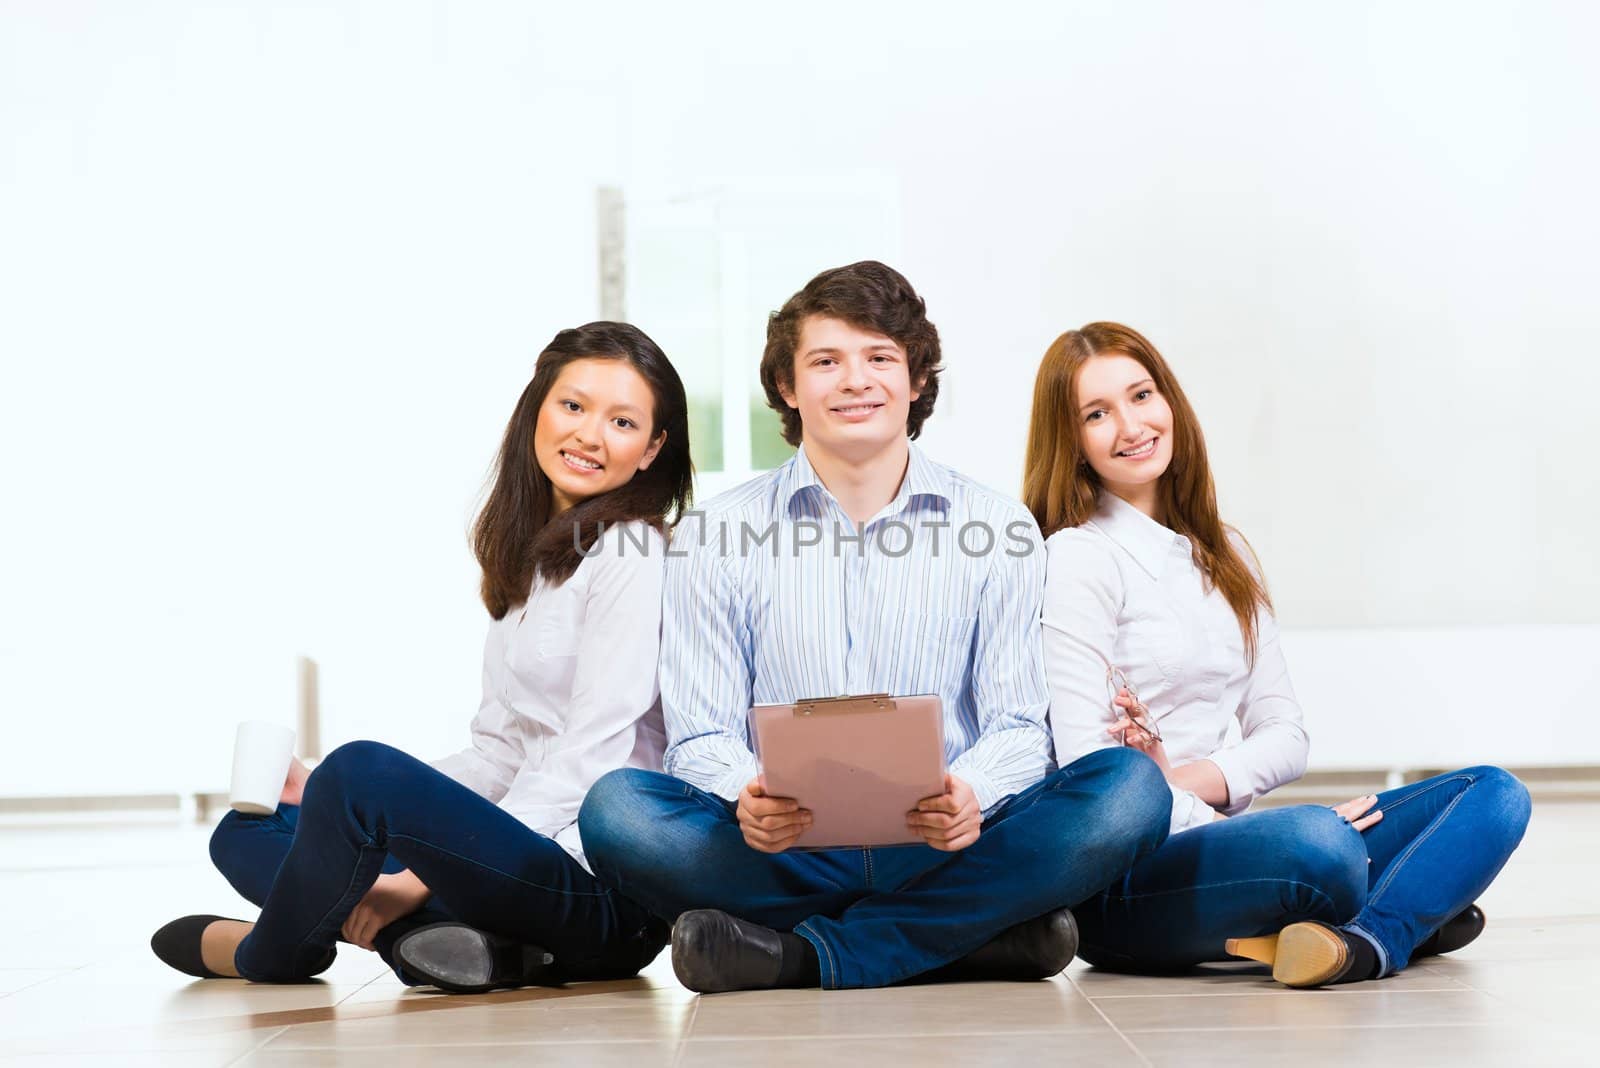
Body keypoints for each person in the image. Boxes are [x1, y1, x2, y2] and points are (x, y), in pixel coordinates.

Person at [576, 262, 1172, 994]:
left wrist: (972, 793)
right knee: (616, 810)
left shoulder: (999, 528)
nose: (855, 380)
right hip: (781, 852)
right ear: (790, 389)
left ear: (916, 381)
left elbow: (1020, 727)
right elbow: (699, 736)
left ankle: (807, 954)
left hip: (950, 846)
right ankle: (966, 935)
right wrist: (744, 796)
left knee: (1130, 789)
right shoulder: (716, 534)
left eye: (880, 358)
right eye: (826, 362)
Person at [150, 321, 694, 991]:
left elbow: (591, 761)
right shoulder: (533, 556)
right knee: (245, 831)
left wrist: (414, 872)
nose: (588, 434)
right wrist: (320, 792)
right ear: (538, 409)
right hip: (514, 871)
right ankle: (449, 947)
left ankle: (269, 952)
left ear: (651, 449)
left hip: (598, 894)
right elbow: (498, 753)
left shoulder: (630, 553)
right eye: (573, 406)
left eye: (622, 421)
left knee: (361, 773)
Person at [1023, 321, 1532, 987]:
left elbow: (1287, 735)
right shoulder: (1079, 557)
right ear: (1074, 444)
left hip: (1235, 840)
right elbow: (1090, 772)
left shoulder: (1224, 555)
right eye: (1097, 413)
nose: (1130, 425)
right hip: (1131, 876)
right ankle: (1400, 911)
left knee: (1495, 794)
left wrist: (1182, 779)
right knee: (1322, 845)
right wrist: (1259, 822)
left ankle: (1363, 940)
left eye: (1141, 395)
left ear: (1169, 401)